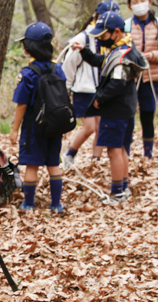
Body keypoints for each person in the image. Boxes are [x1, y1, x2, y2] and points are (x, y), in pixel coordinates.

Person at [72, 11, 147, 203]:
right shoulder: (123, 48)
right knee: (121, 149)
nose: (101, 40)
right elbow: (102, 62)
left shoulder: (123, 56)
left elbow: (117, 84)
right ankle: (123, 186)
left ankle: (117, 193)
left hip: (116, 112)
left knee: (114, 151)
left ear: (116, 32)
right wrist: (83, 50)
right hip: (126, 109)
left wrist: (100, 99)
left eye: (103, 36)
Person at [10, 22, 65, 212]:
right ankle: (56, 204)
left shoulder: (28, 74)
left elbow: (22, 104)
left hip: (34, 127)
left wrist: (15, 129)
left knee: (32, 165)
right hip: (55, 125)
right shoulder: (57, 69)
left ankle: (29, 204)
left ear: (28, 48)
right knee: (53, 164)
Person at [63, 2, 120, 167]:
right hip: (84, 88)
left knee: (101, 127)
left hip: (101, 89)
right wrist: (67, 86)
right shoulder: (84, 37)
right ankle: (70, 154)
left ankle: (95, 161)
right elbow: (69, 62)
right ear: (97, 17)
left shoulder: (113, 39)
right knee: (88, 127)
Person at [126, 0, 158, 160]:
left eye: (142, 0)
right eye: (135, 1)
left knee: (148, 113)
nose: (139, 4)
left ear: (149, 3)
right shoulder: (126, 26)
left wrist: (152, 56)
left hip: (153, 78)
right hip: (130, 78)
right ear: (129, 6)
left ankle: (148, 154)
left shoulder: (157, 24)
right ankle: (125, 152)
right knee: (128, 114)